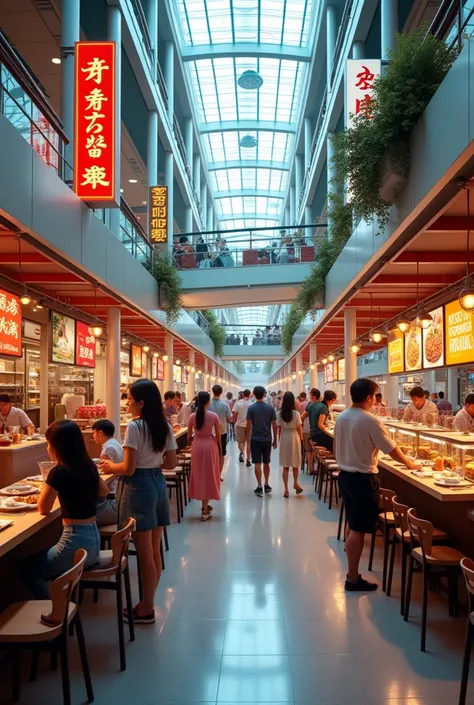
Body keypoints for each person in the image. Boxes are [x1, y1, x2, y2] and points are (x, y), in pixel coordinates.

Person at [100, 380, 177, 624]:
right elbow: (171, 463)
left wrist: (111, 466)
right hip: (157, 483)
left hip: (138, 487)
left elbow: (128, 467)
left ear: (141, 402)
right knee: (153, 549)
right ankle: (148, 603)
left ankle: (146, 608)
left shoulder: (134, 427)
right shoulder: (164, 426)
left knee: (143, 551)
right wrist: (153, 463)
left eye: (130, 399)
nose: (127, 403)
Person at [335, 378, 421, 592]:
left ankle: (352, 573)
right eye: (375, 396)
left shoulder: (342, 416)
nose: (376, 400)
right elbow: (390, 449)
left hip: (345, 476)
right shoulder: (370, 420)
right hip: (362, 479)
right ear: (369, 397)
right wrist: (410, 463)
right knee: (357, 528)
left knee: (353, 524)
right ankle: (353, 578)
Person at [22, 420, 108, 599]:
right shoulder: (89, 465)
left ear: (57, 446)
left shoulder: (59, 472)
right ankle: (60, 603)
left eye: (48, 444)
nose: (47, 448)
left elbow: (43, 508)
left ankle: (57, 611)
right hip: (93, 542)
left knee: (27, 570)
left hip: (74, 545)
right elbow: (104, 491)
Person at [187, 391, 221, 521]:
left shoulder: (192, 417)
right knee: (210, 473)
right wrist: (219, 448)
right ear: (208, 402)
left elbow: (189, 437)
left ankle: (204, 506)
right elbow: (218, 435)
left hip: (197, 445)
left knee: (199, 474)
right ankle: (205, 509)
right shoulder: (213, 416)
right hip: (210, 444)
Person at [246, 386, 278, 497]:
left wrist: (248, 438)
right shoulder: (270, 408)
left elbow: (248, 425)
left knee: (257, 463)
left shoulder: (251, 408)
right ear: (264, 394)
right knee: (266, 462)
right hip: (267, 439)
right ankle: (267, 484)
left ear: (254, 394)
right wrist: (275, 440)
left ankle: (259, 486)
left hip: (255, 439)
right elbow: (275, 426)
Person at [92, 419, 123, 526]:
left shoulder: (108, 448)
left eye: (94, 433)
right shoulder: (115, 443)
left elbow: (105, 471)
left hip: (113, 495)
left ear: (100, 432)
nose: (93, 436)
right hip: (119, 494)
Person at [277, 392, 303, 498]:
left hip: (284, 436)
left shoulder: (280, 413)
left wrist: (278, 440)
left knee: (285, 465)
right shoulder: (296, 414)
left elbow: (279, 428)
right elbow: (299, 428)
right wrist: (301, 439)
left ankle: (286, 489)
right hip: (294, 436)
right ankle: (295, 483)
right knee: (295, 463)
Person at [209, 384, 233, 481]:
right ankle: (218, 475)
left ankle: (210, 473)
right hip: (222, 432)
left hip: (209, 432)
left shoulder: (208, 404)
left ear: (212, 391)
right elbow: (229, 419)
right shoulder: (225, 405)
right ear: (221, 392)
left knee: (210, 453)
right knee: (221, 453)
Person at [233, 388, 252, 466]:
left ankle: (242, 453)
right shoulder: (252, 404)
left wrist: (234, 422)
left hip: (239, 424)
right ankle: (248, 459)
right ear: (250, 395)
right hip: (249, 425)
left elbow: (235, 414)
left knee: (241, 441)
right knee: (249, 442)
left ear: (243, 394)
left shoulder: (238, 403)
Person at [298, 391, 313, 473]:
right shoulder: (312, 405)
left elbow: (301, 417)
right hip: (312, 431)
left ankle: (307, 463)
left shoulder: (301, 405)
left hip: (305, 430)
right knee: (311, 449)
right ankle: (311, 465)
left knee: (307, 449)